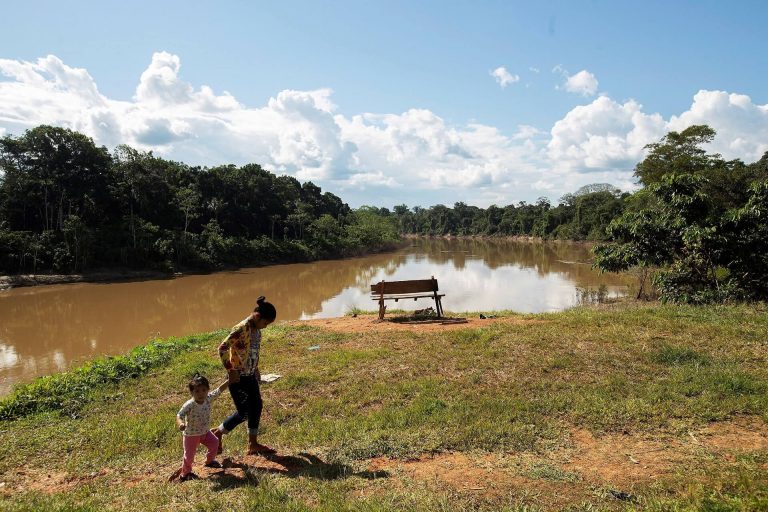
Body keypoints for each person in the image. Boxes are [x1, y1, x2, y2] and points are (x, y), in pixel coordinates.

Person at [212, 296, 277, 455]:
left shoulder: (257, 331)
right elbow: (222, 348)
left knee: (257, 406)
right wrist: (231, 370)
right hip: (238, 378)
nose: (266, 326)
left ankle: (252, 444)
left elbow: (253, 351)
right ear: (257, 317)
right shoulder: (240, 328)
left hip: (250, 376)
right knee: (244, 412)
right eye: (265, 323)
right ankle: (217, 434)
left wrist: (256, 368)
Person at [175, 374, 229, 481]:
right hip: (191, 435)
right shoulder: (189, 404)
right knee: (189, 455)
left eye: (204, 390)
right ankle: (185, 474)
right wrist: (181, 423)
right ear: (192, 393)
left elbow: (218, 390)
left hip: (205, 432)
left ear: (208, 390)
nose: (201, 394)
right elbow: (179, 415)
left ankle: (209, 461)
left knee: (214, 442)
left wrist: (228, 381)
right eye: (197, 391)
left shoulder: (208, 399)